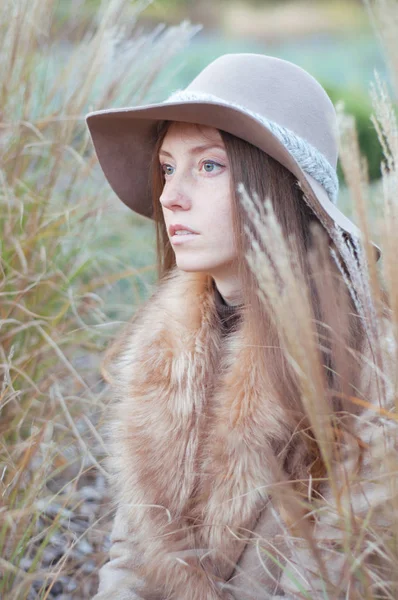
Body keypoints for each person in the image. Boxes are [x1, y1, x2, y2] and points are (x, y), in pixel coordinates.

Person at [85, 54, 394, 599]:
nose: (168, 196)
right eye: (166, 166)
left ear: (277, 184)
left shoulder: (365, 370)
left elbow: (333, 580)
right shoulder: (163, 351)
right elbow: (130, 560)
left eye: (208, 166)